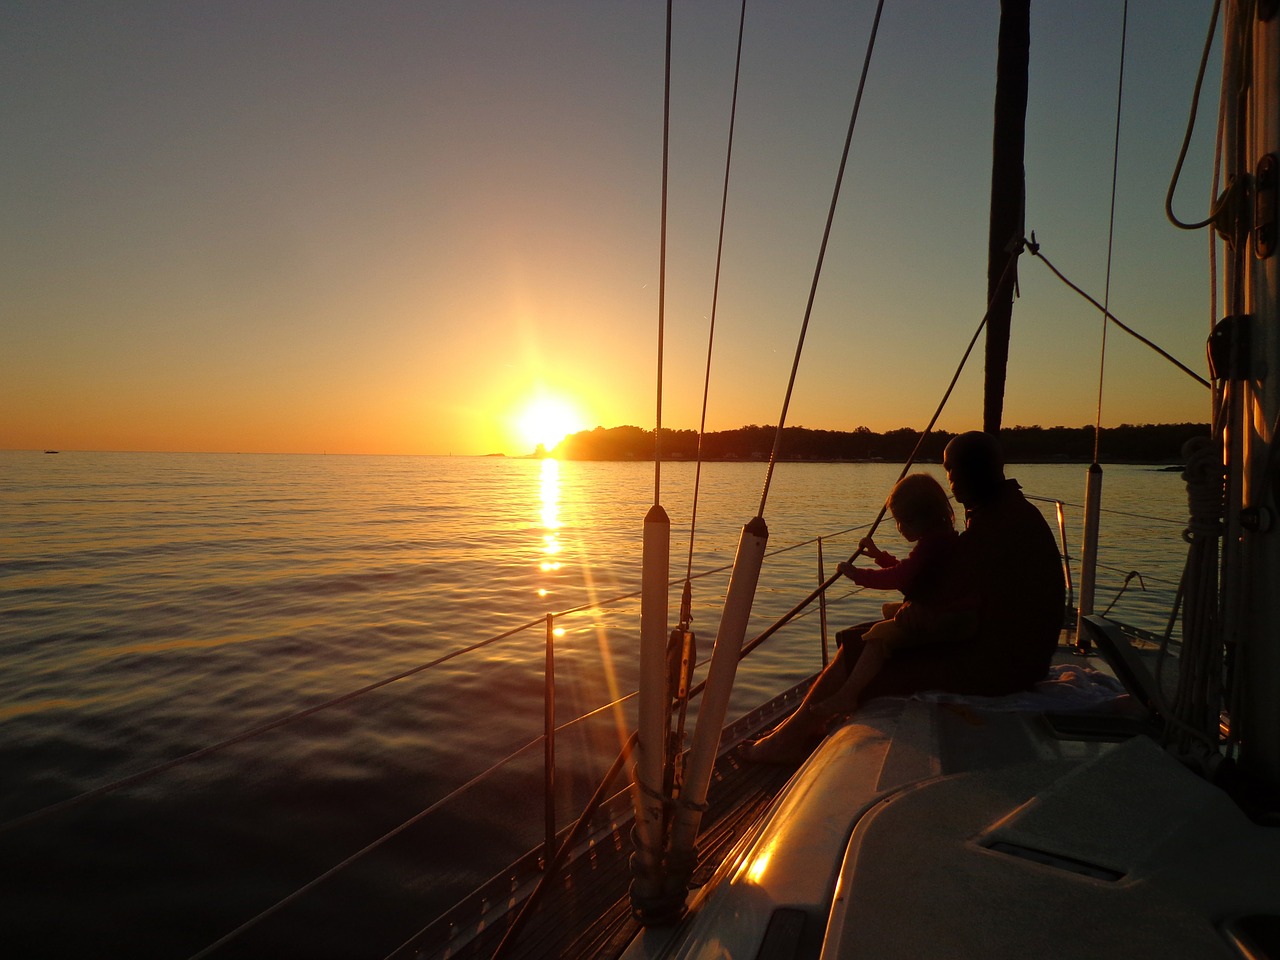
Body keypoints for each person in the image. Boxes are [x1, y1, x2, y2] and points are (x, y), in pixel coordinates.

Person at [743, 431, 1065, 763]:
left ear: (972, 470)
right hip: (1009, 651)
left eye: (951, 471)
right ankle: (801, 728)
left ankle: (788, 740)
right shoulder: (1007, 513)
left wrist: (917, 605)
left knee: (859, 650)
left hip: (999, 665)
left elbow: (937, 589)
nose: (950, 484)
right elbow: (953, 584)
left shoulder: (996, 526)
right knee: (861, 638)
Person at [827, 473, 973, 717]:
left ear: (922, 520)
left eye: (903, 522)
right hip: (954, 613)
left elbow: (900, 577)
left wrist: (857, 575)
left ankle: (848, 695)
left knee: (877, 635)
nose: (899, 528)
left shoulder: (932, 546)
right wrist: (879, 556)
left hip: (951, 620)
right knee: (888, 611)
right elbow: (912, 574)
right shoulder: (941, 540)